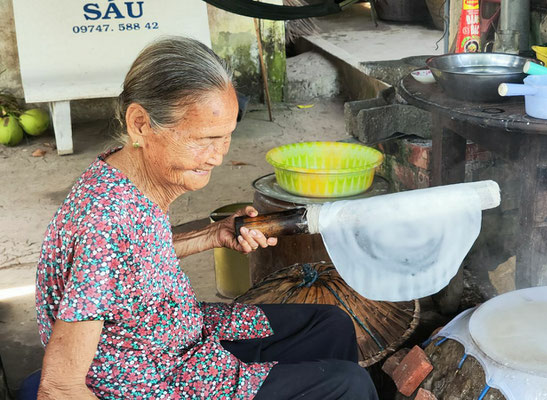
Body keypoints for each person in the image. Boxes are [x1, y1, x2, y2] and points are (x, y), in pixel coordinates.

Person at [34, 36, 378, 400]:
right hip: (155, 381)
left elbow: (132, 260)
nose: (217, 156)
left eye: (226, 137)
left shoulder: (124, 176)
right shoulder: (102, 225)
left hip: (179, 337)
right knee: (348, 386)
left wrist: (213, 235)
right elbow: (59, 388)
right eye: (204, 139)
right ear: (140, 124)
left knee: (331, 325)